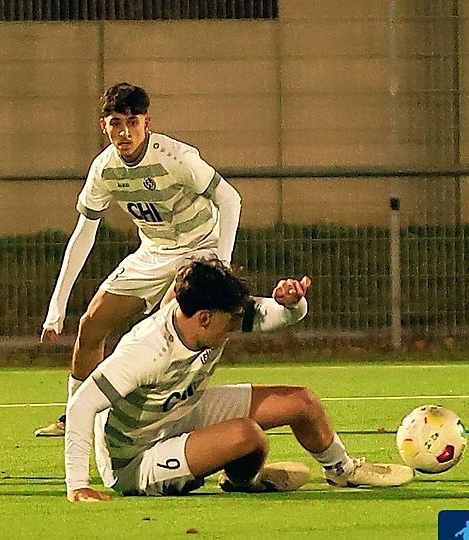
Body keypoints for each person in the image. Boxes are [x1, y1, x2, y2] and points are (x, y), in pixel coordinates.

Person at [65, 259, 415, 501]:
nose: (236, 326)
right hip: (136, 458)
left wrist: (291, 304)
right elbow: (82, 404)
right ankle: (243, 481)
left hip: (180, 411)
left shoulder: (208, 312)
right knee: (248, 437)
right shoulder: (145, 351)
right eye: (230, 321)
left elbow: (278, 316)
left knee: (303, 402)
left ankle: (341, 470)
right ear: (204, 319)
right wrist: (78, 485)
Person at [36, 82, 242, 436]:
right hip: (153, 252)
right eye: (116, 123)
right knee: (91, 324)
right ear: (104, 126)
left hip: (199, 249)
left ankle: (165, 414)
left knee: (168, 328)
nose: (125, 132)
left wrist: (221, 262)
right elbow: (84, 233)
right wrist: (58, 304)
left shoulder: (176, 158)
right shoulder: (104, 169)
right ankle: (76, 418)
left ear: (147, 122)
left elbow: (230, 198)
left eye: (133, 122)